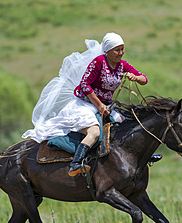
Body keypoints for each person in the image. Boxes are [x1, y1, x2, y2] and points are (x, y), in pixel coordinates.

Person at [22, 32, 148, 177]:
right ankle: (76, 163)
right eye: (117, 50)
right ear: (107, 51)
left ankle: (140, 155)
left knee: (129, 123)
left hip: (106, 105)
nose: (121, 53)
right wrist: (99, 105)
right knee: (94, 133)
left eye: (122, 48)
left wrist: (136, 77)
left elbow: (144, 79)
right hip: (86, 104)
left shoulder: (122, 65)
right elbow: (84, 85)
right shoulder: (98, 62)